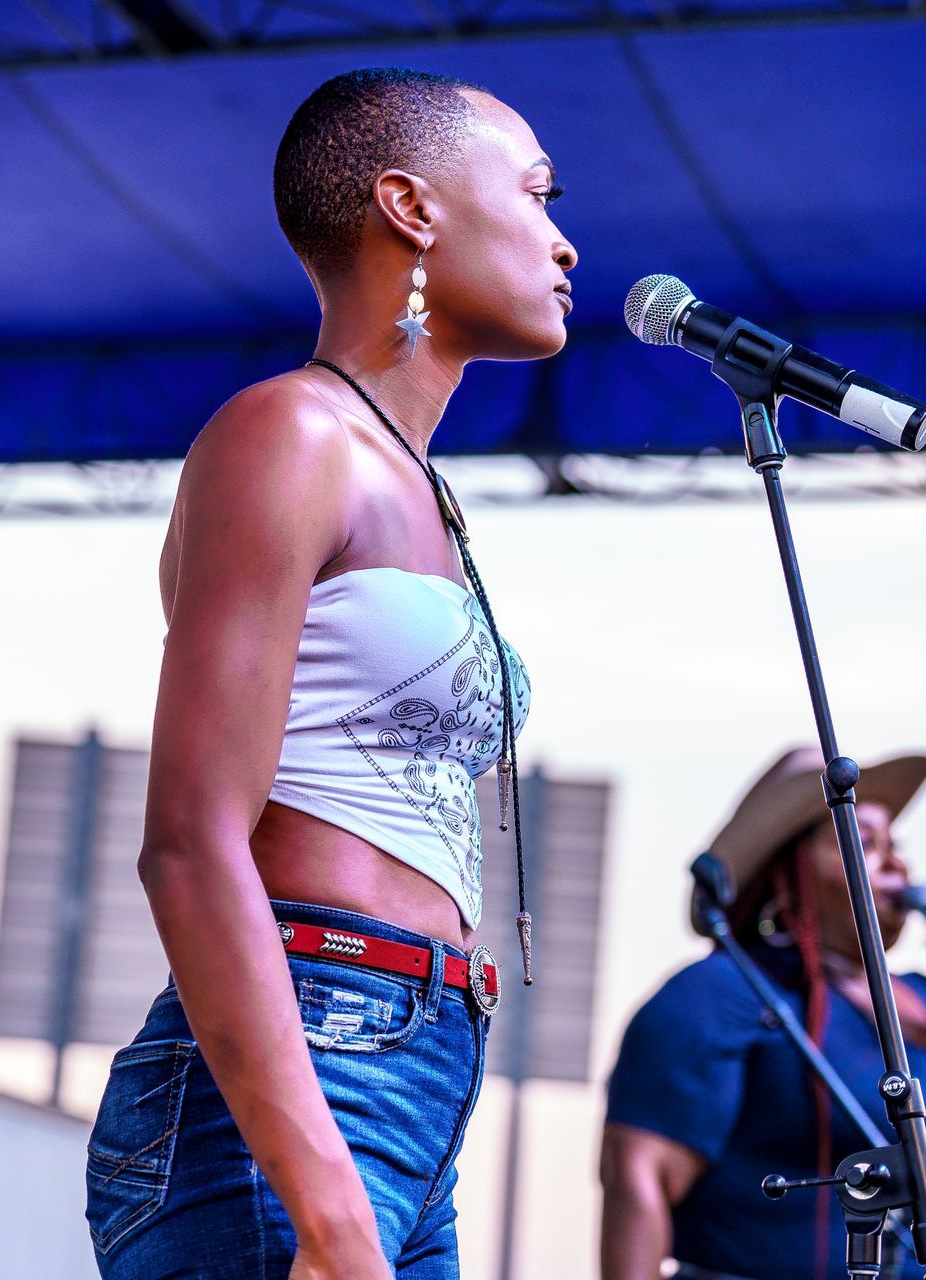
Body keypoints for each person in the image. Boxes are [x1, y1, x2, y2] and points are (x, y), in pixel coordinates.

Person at [84, 69, 577, 1280]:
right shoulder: (290, 433)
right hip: (313, 1057)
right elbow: (189, 840)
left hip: (413, 1073)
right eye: (537, 194)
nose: (564, 242)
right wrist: (331, 1212)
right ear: (410, 206)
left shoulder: (423, 487)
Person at [600, 747, 926, 1280]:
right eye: (866, 844)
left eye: (896, 846)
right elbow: (637, 1180)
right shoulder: (722, 995)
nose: (897, 865)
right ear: (787, 871)